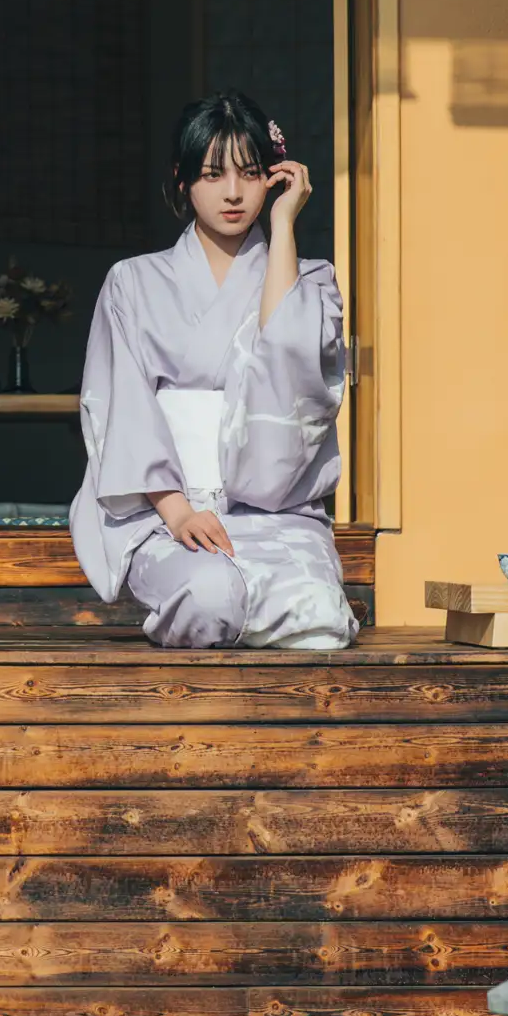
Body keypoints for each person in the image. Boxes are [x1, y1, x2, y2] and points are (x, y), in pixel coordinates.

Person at [68, 92, 357, 651]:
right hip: (167, 516)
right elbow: (122, 408)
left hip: (277, 515)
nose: (232, 192)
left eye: (250, 175)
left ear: (274, 178)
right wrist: (177, 512)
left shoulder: (313, 281)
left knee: (318, 620)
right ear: (182, 181)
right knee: (210, 597)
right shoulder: (133, 283)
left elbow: (290, 369)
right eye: (212, 174)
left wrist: (284, 224)